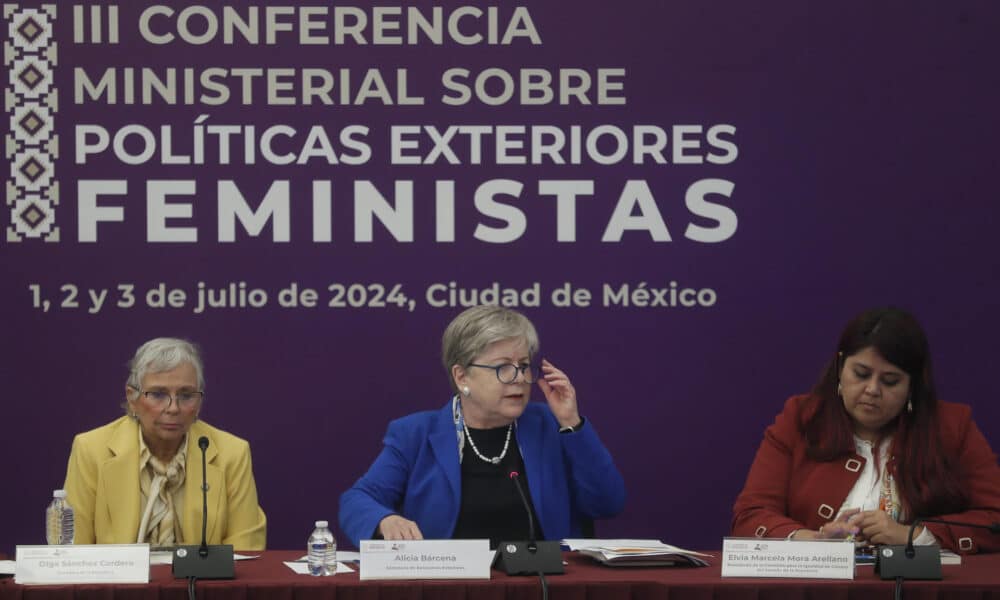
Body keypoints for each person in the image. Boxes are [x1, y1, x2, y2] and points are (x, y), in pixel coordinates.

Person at [339, 305, 625, 548]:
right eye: (503, 367)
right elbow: (357, 499)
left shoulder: (550, 425)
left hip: (543, 586)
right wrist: (384, 519)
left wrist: (571, 423)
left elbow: (607, 502)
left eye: (524, 365)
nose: (519, 378)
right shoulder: (416, 434)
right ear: (462, 376)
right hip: (450, 588)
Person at [732, 307, 1000, 553]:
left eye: (890, 381)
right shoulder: (801, 418)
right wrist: (813, 541)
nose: (872, 390)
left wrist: (915, 536)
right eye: (861, 374)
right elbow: (751, 515)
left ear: (912, 386)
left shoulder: (951, 426)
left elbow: (994, 519)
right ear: (840, 367)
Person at [63, 338, 267, 550]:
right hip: (117, 584)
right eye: (158, 395)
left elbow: (247, 553)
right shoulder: (92, 450)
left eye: (186, 395)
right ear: (132, 397)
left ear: (199, 403)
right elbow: (72, 551)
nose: (173, 408)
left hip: (204, 583)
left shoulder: (232, 453)